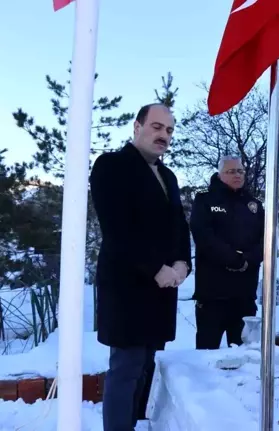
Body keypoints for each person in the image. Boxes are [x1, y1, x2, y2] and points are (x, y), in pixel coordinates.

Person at [90, 103, 192, 431]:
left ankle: (135, 424)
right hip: (128, 286)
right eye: (157, 127)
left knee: (146, 365)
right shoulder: (112, 166)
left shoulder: (168, 175)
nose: (164, 135)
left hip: (161, 290)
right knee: (126, 367)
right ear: (137, 127)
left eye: (169, 130)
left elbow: (179, 223)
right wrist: (155, 268)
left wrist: (182, 262)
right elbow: (117, 228)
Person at [189, 156, 265, 349]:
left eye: (240, 171)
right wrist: (234, 259)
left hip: (244, 294)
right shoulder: (205, 200)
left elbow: (265, 240)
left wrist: (248, 259)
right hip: (213, 293)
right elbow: (204, 236)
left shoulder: (254, 205)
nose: (237, 175)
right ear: (220, 174)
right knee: (207, 352)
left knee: (245, 354)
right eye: (231, 171)